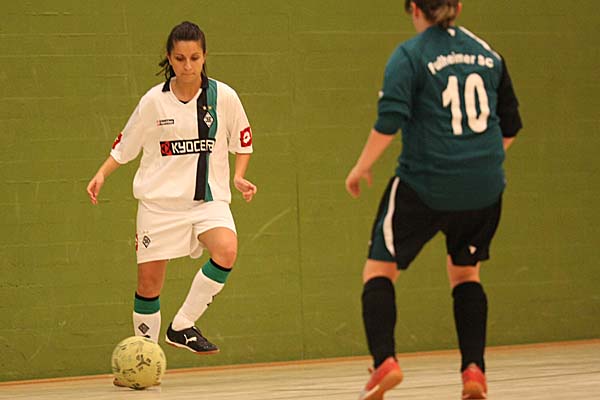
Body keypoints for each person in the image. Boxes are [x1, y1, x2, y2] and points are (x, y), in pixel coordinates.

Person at [345, 1, 522, 399]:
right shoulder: (489, 55)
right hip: (484, 188)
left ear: (413, 8)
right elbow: (510, 125)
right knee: (466, 273)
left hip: (425, 184)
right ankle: (474, 371)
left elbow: (389, 121)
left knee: (379, 270)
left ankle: (385, 362)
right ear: (457, 6)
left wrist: (360, 168)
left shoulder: (410, 56)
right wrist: (476, 162)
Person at [87, 21, 257, 360]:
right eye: (180, 59)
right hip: (159, 205)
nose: (188, 66)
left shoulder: (223, 97)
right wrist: (102, 174)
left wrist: (239, 176)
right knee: (149, 284)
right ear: (169, 58)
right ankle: (145, 360)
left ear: (204, 57)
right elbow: (125, 145)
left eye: (195, 58)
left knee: (227, 249)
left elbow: (243, 142)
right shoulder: (153, 101)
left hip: (208, 200)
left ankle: (183, 325)